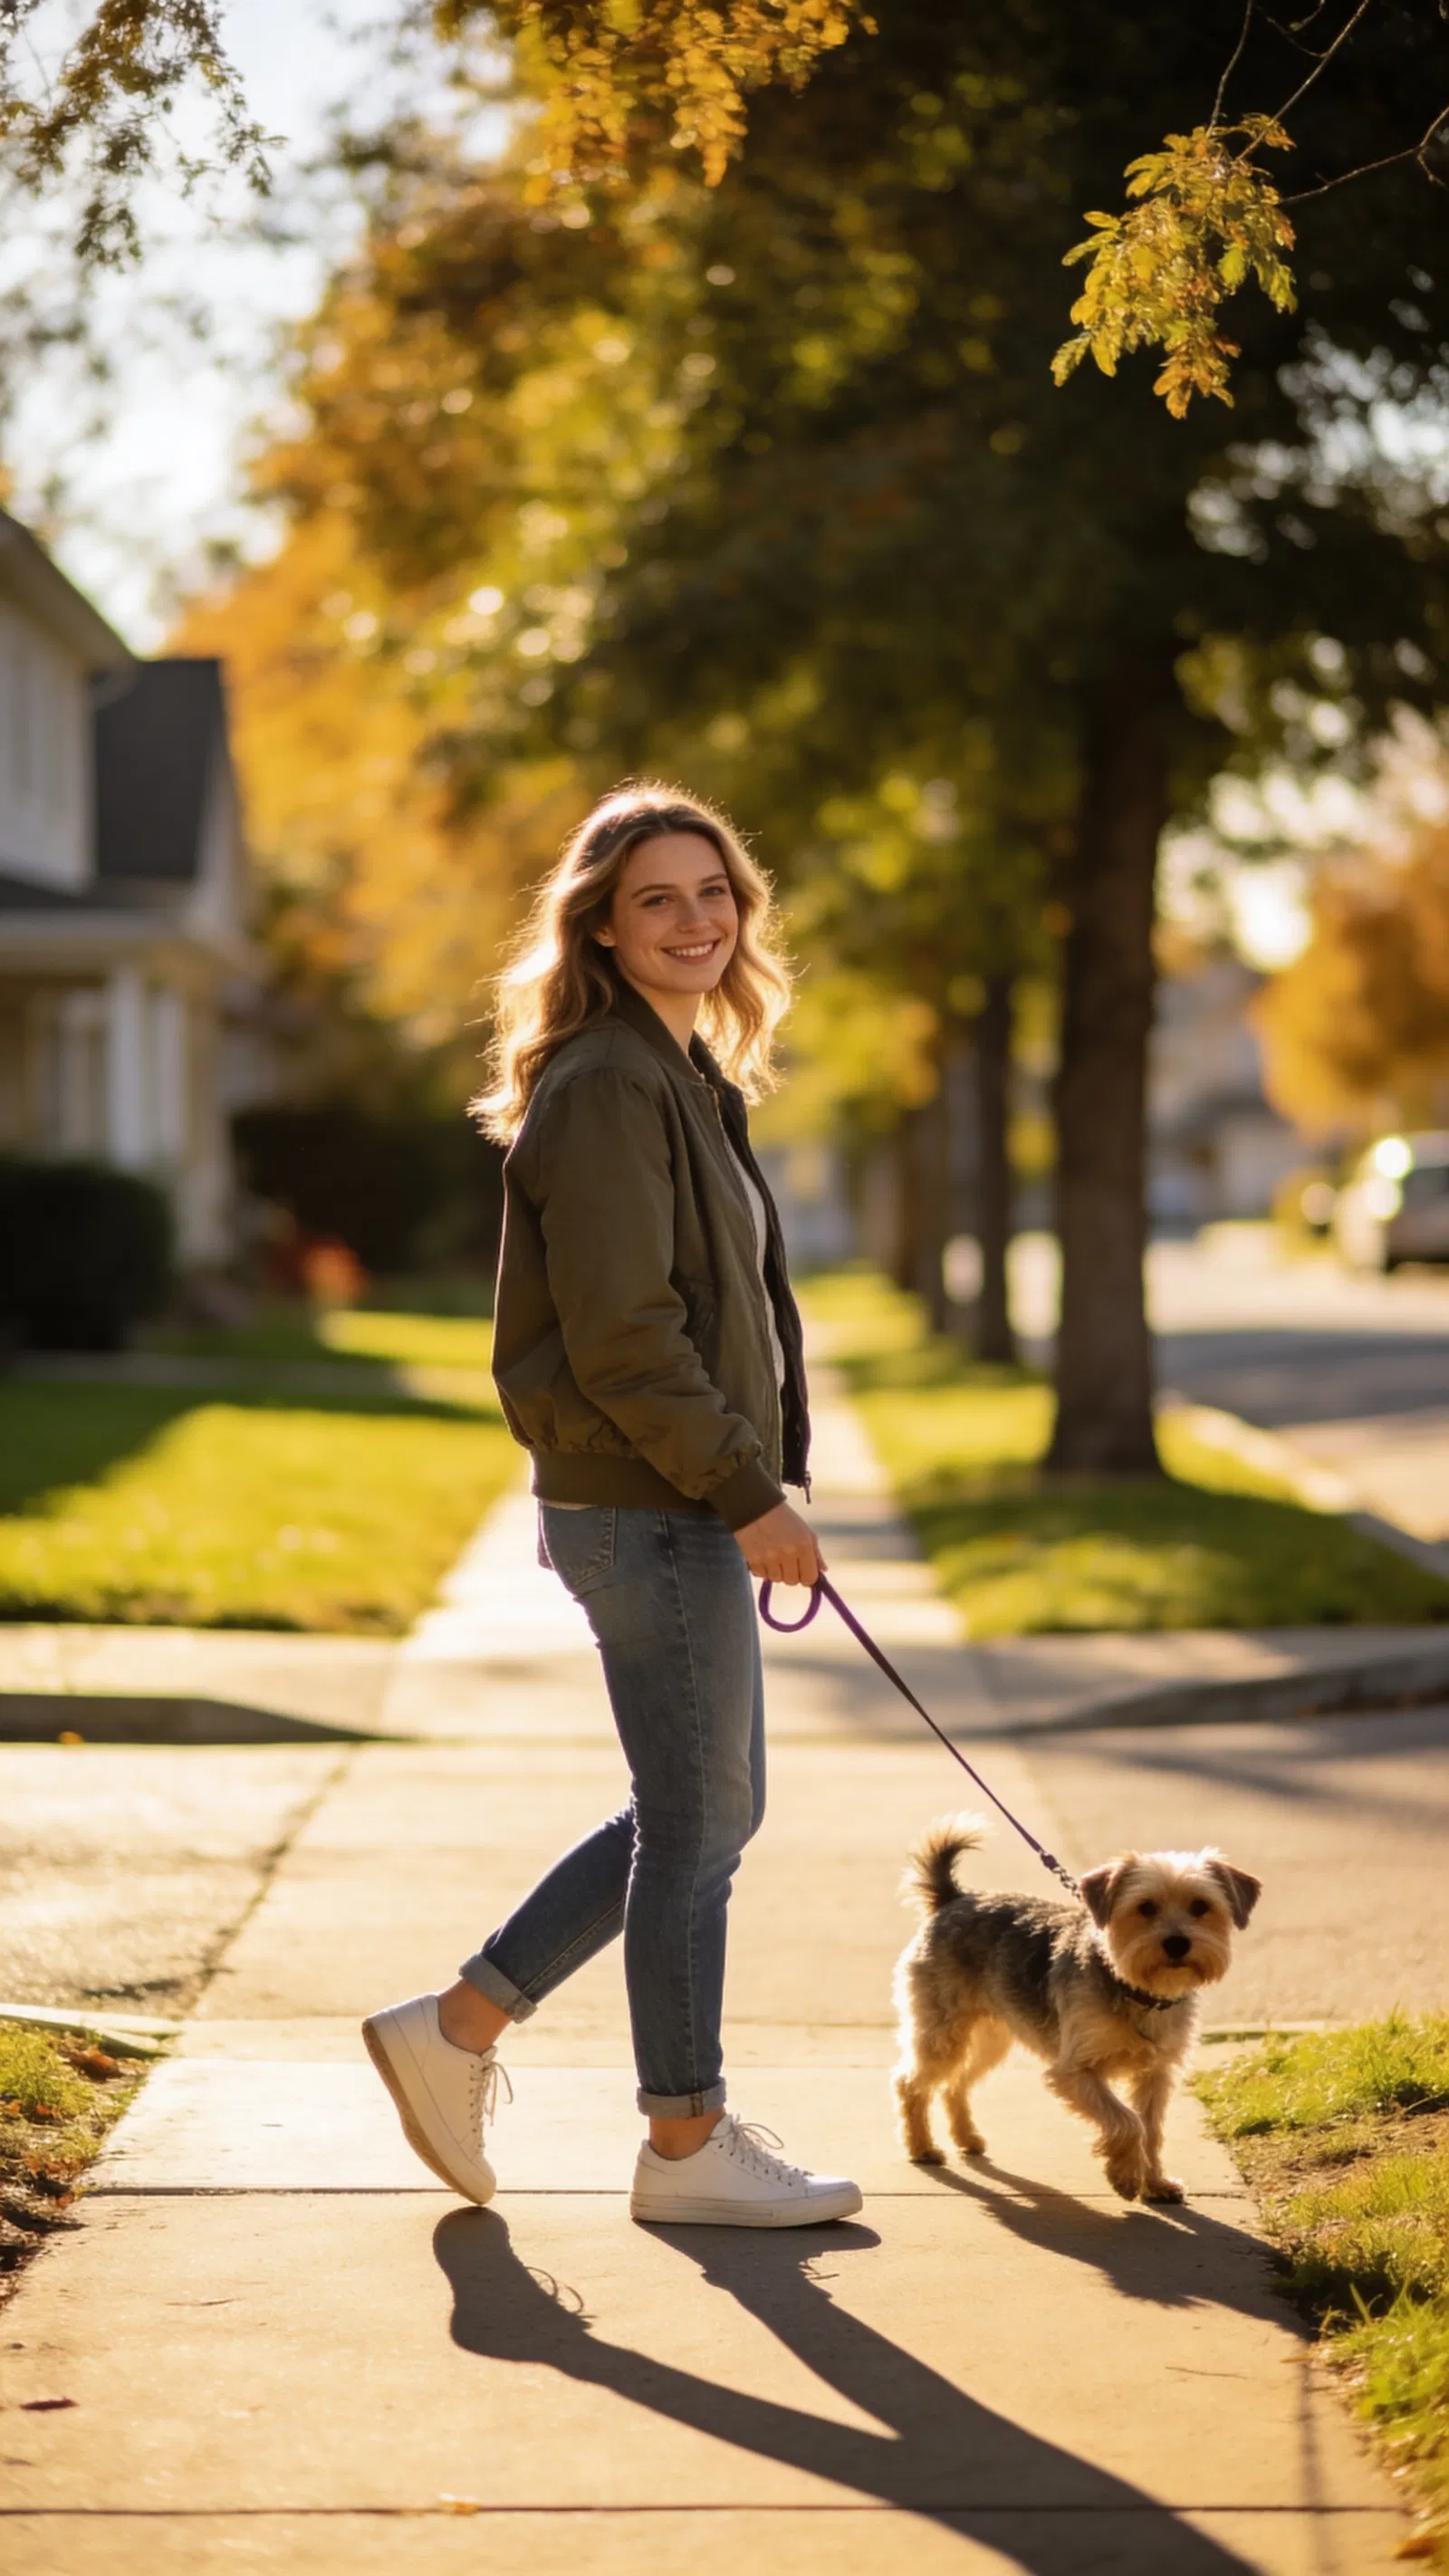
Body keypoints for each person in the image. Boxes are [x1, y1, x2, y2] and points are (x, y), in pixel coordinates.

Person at [362, 783, 862, 2228]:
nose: (695, 921)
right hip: (651, 1501)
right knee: (700, 1819)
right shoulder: (606, 1086)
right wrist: (750, 1493)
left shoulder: (680, 1073)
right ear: (600, 925)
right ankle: (685, 2143)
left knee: (699, 1810)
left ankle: (456, 2029)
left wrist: (756, 1475)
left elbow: (719, 1309)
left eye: (714, 894)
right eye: (658, 899)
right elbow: (627, 1337)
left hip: (670, 1493)